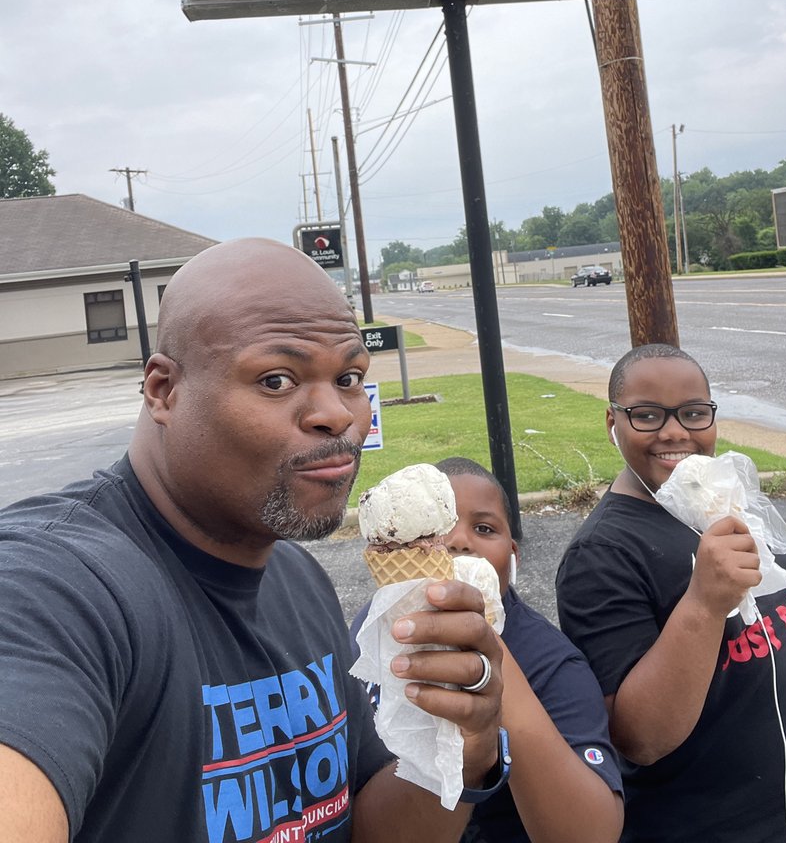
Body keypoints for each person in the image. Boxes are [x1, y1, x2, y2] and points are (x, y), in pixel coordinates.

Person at [0, 238, 506, 843]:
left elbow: (368, 827)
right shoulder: (49, 590)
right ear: (164, 390)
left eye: (348, 377)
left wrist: (464, 740)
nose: (337, 415)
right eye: (275, 379)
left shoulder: (299, 579)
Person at [556, 343, 786, 843]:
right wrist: (703, 604)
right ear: (612, 421)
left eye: (694, 413)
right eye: (646, 415)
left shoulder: (727, 502)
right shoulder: (602, 555)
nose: (675, 432)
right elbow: (639, 738)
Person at [352, 457, 624, 843]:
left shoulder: (552, 664)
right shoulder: (377, 625)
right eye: (439, 525)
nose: (458, 540)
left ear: (512, 554)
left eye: (483, 528)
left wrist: (488, 652)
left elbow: (593, 833)